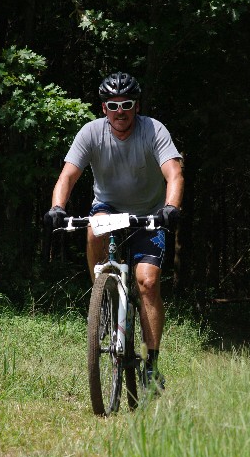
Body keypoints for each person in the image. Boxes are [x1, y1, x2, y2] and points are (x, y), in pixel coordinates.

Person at [46, 71, 184, 388]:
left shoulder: (153, 130)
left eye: (126, 104)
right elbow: (67, 176)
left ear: (136, 106)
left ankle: (151, 363)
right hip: (108, 207)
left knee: (147, 283)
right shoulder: (91, 133)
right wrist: (57, 208)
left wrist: (171, 208)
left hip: (149, 212)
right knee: (94, 230)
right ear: (104, 107)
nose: (119, 110)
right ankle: (103, 294)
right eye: (112, 104)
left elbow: (174, 173)